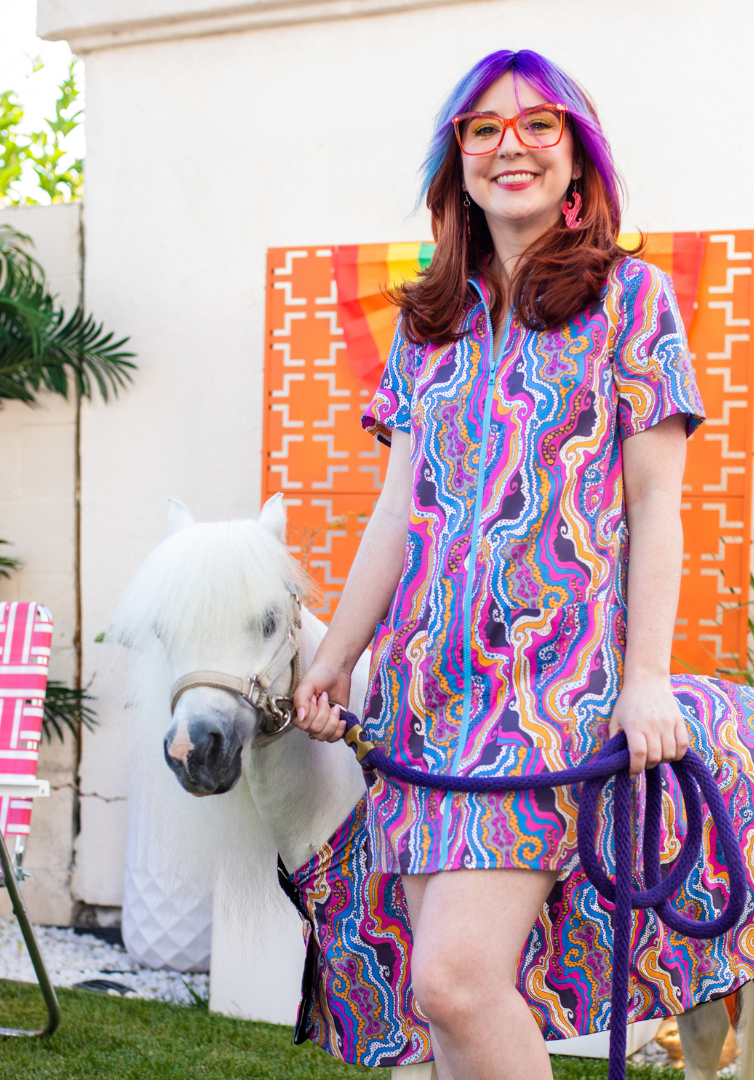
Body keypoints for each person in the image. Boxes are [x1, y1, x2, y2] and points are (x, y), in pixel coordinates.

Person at [292, 49, 704, 1080]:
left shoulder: (631, 299)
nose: (509, 146)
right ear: (456, 160)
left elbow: (659, 503)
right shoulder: (427, 325)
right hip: (423, 699)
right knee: (450, 1007)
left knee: (455, 982)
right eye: (482, 129)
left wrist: (647, 677)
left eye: (537, 126)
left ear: (578, 157)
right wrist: (337, 655)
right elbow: (397, 511)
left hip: (547, 697)